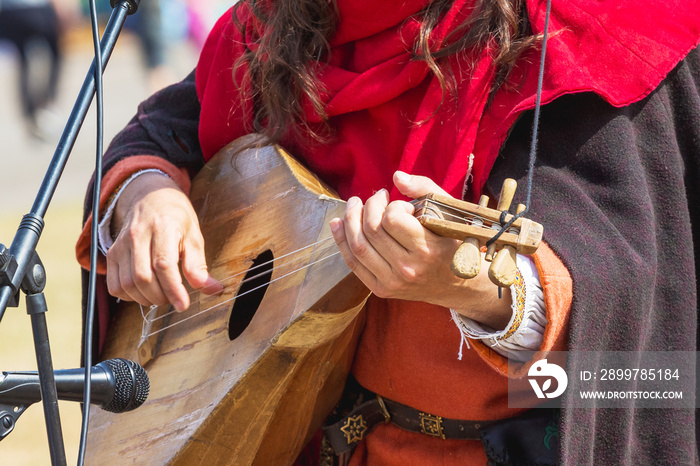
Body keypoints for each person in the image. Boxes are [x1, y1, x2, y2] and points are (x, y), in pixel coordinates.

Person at [76, 0, 700, 464]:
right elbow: (163, 131)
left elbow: (635, 292)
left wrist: (482, 286)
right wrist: (145, 193)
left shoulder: (607, 32)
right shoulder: (277, 22)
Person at [0, 0, 63, 140]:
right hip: (35, 8)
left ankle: (29, 114)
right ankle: (47, 104)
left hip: (8, 12)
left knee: (22, 62)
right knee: (56, 53)